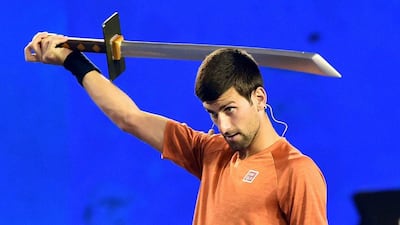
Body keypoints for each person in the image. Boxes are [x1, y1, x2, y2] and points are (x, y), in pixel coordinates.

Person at [24, 32, 328, 225]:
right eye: (213, 114)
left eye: (229, 110)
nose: (222, 126)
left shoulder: (296, 172)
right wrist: (72, 60)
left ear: (258, 98)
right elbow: (128, 117)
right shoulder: (212, 153)